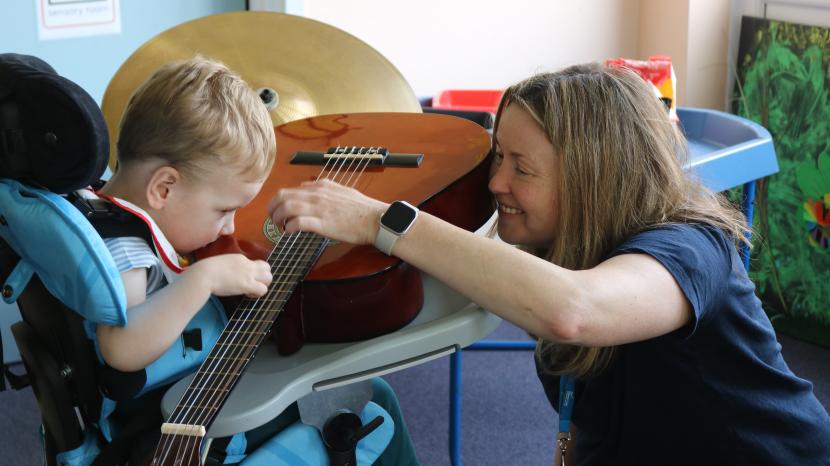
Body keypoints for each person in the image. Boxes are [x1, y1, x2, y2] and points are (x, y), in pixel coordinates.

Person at [267, 63, 830, 465]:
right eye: (497, 158)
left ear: (591, 176)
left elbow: (575, 311)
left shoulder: (690, 246)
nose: (495, 183)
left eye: (521, 168)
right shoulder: (561, 248)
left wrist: (380, 222)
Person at [95, 56, 419, 465]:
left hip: (188, 390)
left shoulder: (103, 212)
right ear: (164, 188)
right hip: (182, 426)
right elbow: (120, 347)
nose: (229, 227)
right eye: (222, 210)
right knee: (370, 402)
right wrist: (205, 277)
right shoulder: (124, 249)